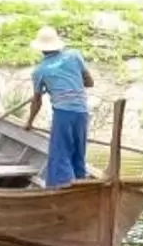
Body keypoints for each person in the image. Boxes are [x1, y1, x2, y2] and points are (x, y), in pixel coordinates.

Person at [25, 26, 95, 189]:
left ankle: (62, 189)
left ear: (41, 49)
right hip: (82, 112)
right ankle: (80, 185)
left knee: (60, 154)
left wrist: (29, 122)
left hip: (63, 114)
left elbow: (37, 102)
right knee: (78, 153)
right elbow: (90, 82)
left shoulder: (39, 71)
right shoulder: (74, 56)